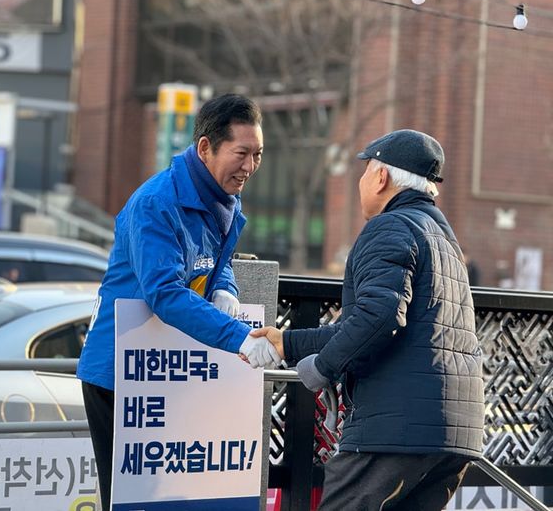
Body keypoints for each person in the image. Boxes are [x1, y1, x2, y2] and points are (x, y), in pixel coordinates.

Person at [251, 129, 484, 510]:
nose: (361, 181)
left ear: (381, 177)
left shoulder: (390, 226)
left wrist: (322, 368)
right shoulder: (444, 239)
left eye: (364, 171)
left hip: (394, 429)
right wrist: (287, 343)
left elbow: (380, 316)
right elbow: (379, 324)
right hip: (452, 435)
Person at [76, 93, 281, 510]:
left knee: (178, 496)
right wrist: (240, 339)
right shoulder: (156, 203)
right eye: (241, 153)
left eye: (257, 155)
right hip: (120, 374)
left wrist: (227, 288)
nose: (250, 167)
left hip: (167, 367)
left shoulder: (221, 199)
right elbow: (165, 294)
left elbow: (215, 261)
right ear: (205, 147)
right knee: (133, 501)